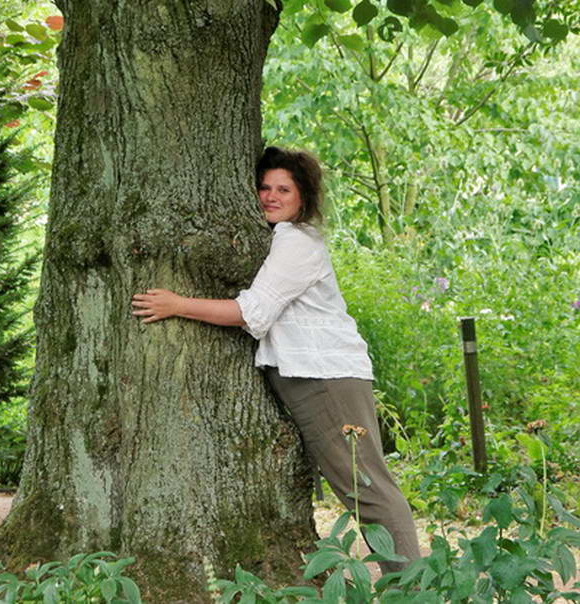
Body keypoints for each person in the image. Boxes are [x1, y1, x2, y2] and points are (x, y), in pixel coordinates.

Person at [131, 146, 421, 573]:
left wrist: (178, 304)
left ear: (303, 195)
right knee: (366, 486)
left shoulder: (295, 243)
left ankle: (413, 590)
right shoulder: (281, 240)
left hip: (327, 377)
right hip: (318, 376)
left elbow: (252, 312)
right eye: (264, 187)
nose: (270, 196)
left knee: (367, 489)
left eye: (283, 188)